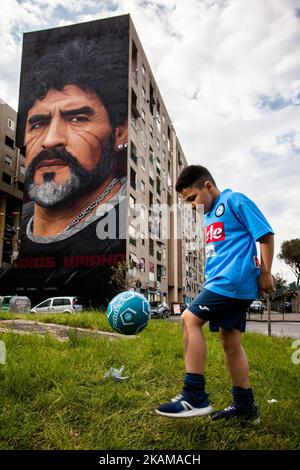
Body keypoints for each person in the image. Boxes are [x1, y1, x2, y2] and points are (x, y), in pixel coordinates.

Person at [156, 165, 275, 422]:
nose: (191, 205)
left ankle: (194, 395)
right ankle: (246, 408)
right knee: (230, 341)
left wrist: (266, 272)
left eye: (192, 198)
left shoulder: (234, 200)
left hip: (232, 282)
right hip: (222, 282)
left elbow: (265, 234)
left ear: (208, 186)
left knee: (189, 319)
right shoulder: (208, 216)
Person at [16, 36, 129, 303]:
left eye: (77, 118)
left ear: (119, 132)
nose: (51, 139)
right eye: (38, 123)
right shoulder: (22, 223)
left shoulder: (126, 223)